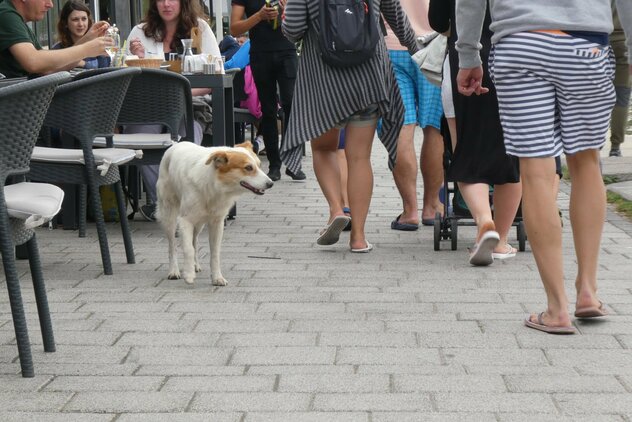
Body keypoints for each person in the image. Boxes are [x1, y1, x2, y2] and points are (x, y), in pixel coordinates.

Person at [456, 0, 632, 333]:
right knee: (586, 162)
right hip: (586, 44)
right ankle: (588, 293)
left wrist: (468, 54)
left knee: (535, 171)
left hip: (521, 43)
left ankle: (556, 310)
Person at [282, 0, 417, 252]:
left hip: (323, 78)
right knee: (359, 157)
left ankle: (336, 209)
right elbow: (396, 16)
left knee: (323, 149)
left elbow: (293, 28)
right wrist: (414, 45)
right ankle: (358, 238)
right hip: (367, 75)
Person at [429, 0, 521, 266]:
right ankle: (501, 241)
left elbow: (437, 20)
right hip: (516, 56)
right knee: (512, 153)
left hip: (466, 61)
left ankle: (484, 221)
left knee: (466, 149)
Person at [126, 0, 221, 221]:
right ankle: (166, 203)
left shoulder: (200, 28)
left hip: (191, 104)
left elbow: (216, 72)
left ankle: (178, 204)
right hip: (149, 106)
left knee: (186, 146)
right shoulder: (139, 32)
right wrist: (137, 58)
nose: (166, 4)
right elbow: (128, 75)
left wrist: (185, 93)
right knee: (139, 140)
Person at [385, 0, 445, 231]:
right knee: (434, 128)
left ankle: (410, 211)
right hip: (433, 45)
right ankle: (432, 207)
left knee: (402, 126)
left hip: (391, 46)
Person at [230, 0, 306, 181]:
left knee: (291, 105)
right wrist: (259, 16)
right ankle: (274, 164)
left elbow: (304, 22)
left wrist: (289, 11)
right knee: (268, 109)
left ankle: (293, 162)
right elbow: (234, 28)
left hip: (287, 51)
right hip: (260, 53)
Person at [0, 0, 110, 79]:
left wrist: (87, 39)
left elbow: (46, 69)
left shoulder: (18, 20)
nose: (50, 4)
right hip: (17, 105)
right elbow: (33, 62)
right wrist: (86, 49)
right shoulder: (6, 14)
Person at [52, 0, 110, 69]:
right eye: (75, 19)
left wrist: (84, 64)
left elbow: (105, 72)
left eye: (84, 19)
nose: (80, 24)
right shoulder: (57, 50)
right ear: (65, 23)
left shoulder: (97, 45)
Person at [608, 1, 631, 157]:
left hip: (599, 42)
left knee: (592, 97)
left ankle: (593, 144)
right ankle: (615, 147)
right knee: (621, 97)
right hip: (624, 43)